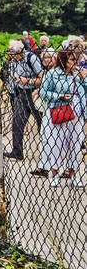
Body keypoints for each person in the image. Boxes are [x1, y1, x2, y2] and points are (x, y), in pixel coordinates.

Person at [39, 47, 83, 182]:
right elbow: (43, 92)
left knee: (75, 143)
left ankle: (72, 173)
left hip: (78, 111)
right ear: (64, 59)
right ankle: (55, 173)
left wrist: (83, 77)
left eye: (76, 59)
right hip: (60, 109)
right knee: (57, 142)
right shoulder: (52, 74)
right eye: (72, 60)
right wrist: (60, 96)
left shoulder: (78, 74)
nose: (75, 62)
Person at [2, 39, 42, 159]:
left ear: (19, 51)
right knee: (17, 122)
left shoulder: (31, 58)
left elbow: (42, 77)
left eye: (12, 52)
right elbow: (5, 74)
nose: (10, 54)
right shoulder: (13, 60)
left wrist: (27, 80)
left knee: (41, 123)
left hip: (34, 93)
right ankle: (17, 151)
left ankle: (47, 151)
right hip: (21, 93)